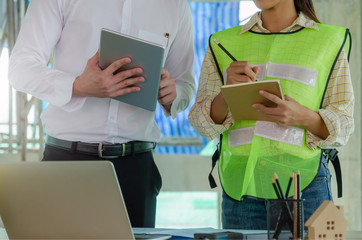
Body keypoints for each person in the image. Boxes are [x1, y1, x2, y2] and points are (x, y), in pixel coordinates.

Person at [8, 0, 195, 228]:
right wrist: (78, 86)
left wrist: (172, 93)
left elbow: (185, 84)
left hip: (136, 169)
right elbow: (20, 69)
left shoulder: (174, 5)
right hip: (67, 163)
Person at [188, 0, 354, 229]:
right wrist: (226, 94)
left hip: (305, 188)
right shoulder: (222, 42)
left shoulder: (330, 41)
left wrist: (303, 117)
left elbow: (344, 124)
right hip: (240, 193)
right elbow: (201, 123)